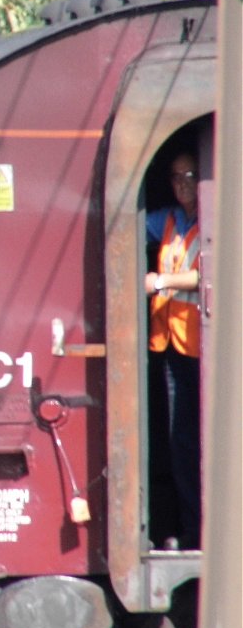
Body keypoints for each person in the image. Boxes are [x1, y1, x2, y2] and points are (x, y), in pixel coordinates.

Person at [143, 152, 202, 549]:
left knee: (193, 441)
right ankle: (185, 528)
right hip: (170, 345)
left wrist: (161, 279)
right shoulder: (167, 221)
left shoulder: (212, 221)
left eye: (189, 176)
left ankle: (201, 532)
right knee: (177, 443)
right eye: (175, 177)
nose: (181, 184)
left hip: (201, 349)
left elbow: (205, 274)